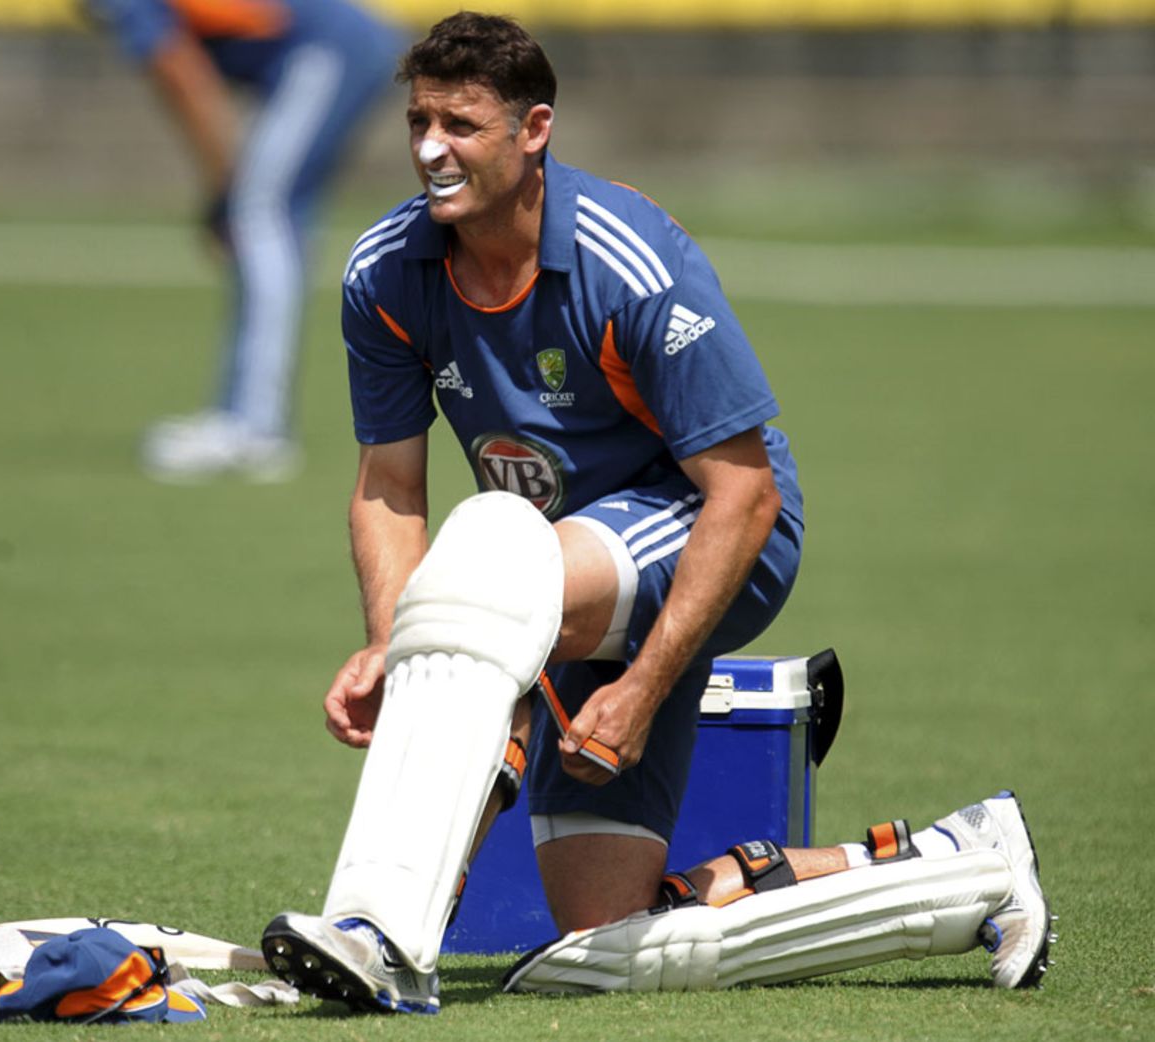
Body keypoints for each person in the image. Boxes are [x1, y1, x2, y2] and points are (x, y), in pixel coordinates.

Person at [259, 12, 1053, 1015]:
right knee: (599, 942)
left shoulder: (626, 260)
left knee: (493, 547)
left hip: (720, 538)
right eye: (419, 119)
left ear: (532, 130)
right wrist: (391, 643)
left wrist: (639, 688)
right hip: (551, 588)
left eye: (460, 124)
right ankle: (957, 866)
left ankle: (377, 929)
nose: (429, 147)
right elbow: (387, 484)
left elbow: (746, 489)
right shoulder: (383, 271)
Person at [84, 0, 403, 481]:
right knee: (270, 211)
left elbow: (182, 76)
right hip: (332, 46)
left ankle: (254, 426)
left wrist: (222, 191)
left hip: (326, 49)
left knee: (258, 208)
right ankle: (246, 414)